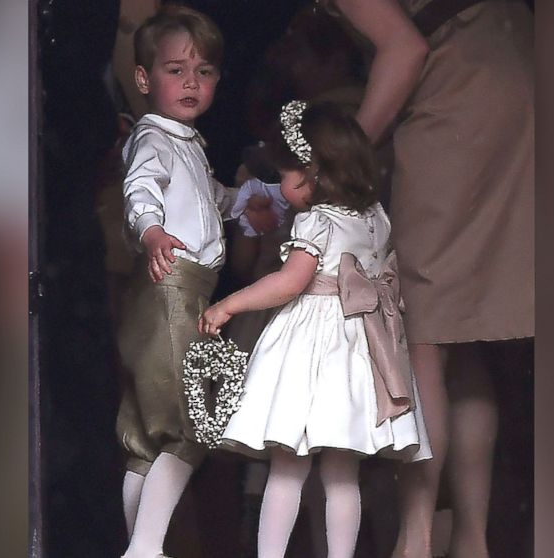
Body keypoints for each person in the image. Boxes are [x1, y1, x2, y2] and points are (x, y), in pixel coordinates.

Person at [327, 1, 535, 557]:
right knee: (464, 339)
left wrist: (335, 160)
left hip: (458, 102)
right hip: (517, 69)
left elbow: (405, 47)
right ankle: (471, 542)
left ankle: (414, 540)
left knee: (423, 336)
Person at [199, 100, 432, 558]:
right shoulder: (375, 217)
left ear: (313, 174)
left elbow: (291, 281)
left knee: (287, 468)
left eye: (286, 174)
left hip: (314, 350)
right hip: (357, 354)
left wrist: (231, 303)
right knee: (342, 475)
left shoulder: (317, 220)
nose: (282, 185)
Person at [114, 7, 260, 558]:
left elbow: (209, 199)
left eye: (205, 71)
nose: (192, 82)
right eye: (176, 70)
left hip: (179, 289)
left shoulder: (185, 142)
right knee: (191, 423)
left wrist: (247, 198)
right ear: (145, 79)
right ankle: (145, 550)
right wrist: (152, 234)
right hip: (172, 285)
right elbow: (141, 193)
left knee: (146, 439)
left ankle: (141, 545)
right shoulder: (154, 140)